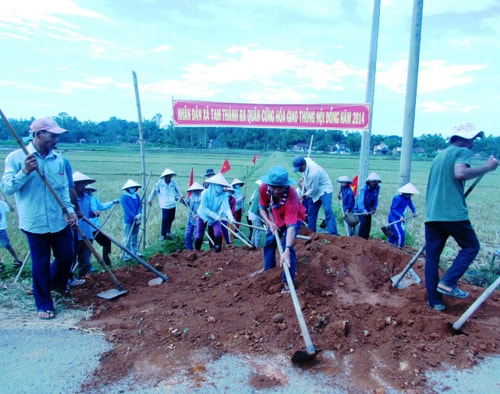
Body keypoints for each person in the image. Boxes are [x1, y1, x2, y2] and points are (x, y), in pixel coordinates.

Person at [1, 117, 78, 320]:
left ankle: (57, 283)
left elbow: (62, 190)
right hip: (34, 222)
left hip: (58, 219)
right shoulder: (17, 158)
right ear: (38, 134)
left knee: (67, 256)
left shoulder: (58, 160)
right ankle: (43, 303)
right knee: (40, 264)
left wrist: (69, 211)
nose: (56, 139)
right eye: (52, 135)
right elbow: (7, 188)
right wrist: (25, 171)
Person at [424, 123, 498, 312]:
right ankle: (448, 282)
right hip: (452, 213)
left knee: (432, 258)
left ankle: (435, 301)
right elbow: (460, 173)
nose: (473, 143)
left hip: (433, 214)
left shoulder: (439, 156)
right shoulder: (462, 152)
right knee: (471, 246)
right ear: (463, 139)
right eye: (472, 139)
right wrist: (487, 168)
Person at [259, 166, 306, 294]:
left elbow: (291, 227)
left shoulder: (292, 197)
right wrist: (269, 223)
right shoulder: (263, 188)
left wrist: (286, 250)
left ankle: (287, 282)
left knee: (287, 248)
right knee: (269, 241)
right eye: (272, 187)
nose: (275, 191)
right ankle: (268, 268)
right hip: (276, 216)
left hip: (294, 217)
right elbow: (262, 209)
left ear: (285, 186)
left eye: (279, 187)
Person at [292, 156, 338, 235]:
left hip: (324, 189)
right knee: (311, 213)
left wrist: (304, 195)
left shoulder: (313, 173)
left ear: (303, 165)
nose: (299, 170)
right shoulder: (306, 161)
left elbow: (314, 190)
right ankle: (311, 233)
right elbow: (307, 158)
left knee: (328, 210)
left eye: (299, 168)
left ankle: (333, 233)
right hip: (313, 189)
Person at [195, 173, 235, 253]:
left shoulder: (223, 195)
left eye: (222, 185)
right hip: (203, 215)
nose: (221, 187)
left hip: (215, 216)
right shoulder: (205, 193)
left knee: (218, 232)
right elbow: (204, 208)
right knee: (200, 234)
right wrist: (215, 215)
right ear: (214, 184)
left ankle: (216, 252)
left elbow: (226, 207)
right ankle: (196, 252)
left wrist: (230, 217)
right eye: (220, 185)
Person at [86, 186, 120, 265]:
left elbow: (101, 206)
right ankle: (87, 266)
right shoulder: (79, 200)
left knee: (106, 242)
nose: (89, 192)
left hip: (95, 227)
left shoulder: (93, 198)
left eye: (89, 190)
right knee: (87, 247)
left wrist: (112, 202)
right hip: (85, 228)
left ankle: (106, 261)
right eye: (87, 190)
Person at [72, 171, 97, 278]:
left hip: (87, 233)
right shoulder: (68, 199)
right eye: (79, 183)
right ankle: (67, 281)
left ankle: (82, 281)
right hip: (74, 234)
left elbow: (87, 213)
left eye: (84, 183)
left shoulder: (87, 198)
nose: (82, 186)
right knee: (69, 261)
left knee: (85, 261)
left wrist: (93, 213)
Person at [148, 168, 182, 240]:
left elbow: (178, 191)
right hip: (164, 204)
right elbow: (154, 191)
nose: (169, 177)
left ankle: (168, 231)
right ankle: (163, 234)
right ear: (165, 176)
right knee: (165, 219)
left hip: (172, 203)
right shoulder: (160, 183)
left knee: (171, 218)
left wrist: (177, 197)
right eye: (168, 176)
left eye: (170, 176)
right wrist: (150, 199)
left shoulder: (173, 183)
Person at [387, 183, 419, 247]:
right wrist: (400, 216)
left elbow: (411, 205)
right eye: (407, 194)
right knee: (400, 235)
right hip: (394, 219)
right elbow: (393, 209)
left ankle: (388, 248)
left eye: (410, 194)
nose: (408, 195)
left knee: (393, 236)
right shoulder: (397, 198)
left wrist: (414, 212)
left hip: (398, 219)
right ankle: (399, 250)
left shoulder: (408, 199)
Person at [354, 172, 382, 239]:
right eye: (372, 182)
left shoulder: (377, 188)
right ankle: (360, 238)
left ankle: (366, 238)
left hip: (368, 209)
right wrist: (363, 210)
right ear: (369, 182)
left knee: (368, 225)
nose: (374, 183)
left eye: (376, 182)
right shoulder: (364, 189)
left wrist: (374, 208)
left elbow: (375, 199)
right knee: (363, 222)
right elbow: (360, 202)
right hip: (360, 209)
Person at [120, 179, 142, 261]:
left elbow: (140, 206)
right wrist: (134, 216)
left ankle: (135, 251)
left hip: (137, 219)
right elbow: (127, 209)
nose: (133, 189)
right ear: (128, 188)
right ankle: (127, 253)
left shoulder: (137, 196)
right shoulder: (124, 197)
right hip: (129, 220)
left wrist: (139, 214)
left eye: (134, 187)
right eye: (131, 187)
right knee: (127, 237)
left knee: (135, 236)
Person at [0, 195, 23, 271]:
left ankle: (17, 259)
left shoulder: (2, 204)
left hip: (1, 229)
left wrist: (6, 201)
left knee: (6, 245)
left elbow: (12, 209)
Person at [182, 182, 204, 250]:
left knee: (196, 236)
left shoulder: (202, 198)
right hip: (191, 219)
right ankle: (189, 251)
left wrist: (198, 215)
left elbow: (204, 208)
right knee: (187, 236)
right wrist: (183, 200)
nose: (195, 191)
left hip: (199, 219)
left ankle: (196, 251)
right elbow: (188, 205)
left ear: (200, 190)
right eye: (194, 190)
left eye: (197, 189)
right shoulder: (191, 197)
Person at [247, 180, 264, 247]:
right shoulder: (261, 194)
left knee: (254, 231)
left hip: (251, 213)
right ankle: (256, 246)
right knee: (257, 231)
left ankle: (252, 245)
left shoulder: (257, 191)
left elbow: (251, 200)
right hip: (255, 214)